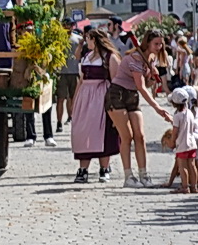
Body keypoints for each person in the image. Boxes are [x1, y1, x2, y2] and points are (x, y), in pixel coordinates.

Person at [105, 30, 172, 188]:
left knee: (140, 136)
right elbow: (141, 87)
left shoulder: (152, 58)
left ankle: (144, 174)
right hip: (117, 94)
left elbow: (146, 84)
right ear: (147, 42)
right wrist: (157, 108)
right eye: (156, 43)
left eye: (161, 43)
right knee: (126, 136)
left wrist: (150, 76)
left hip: (131, 95)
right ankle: (128, 176)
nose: (159, 46)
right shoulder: (136, 57)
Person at [71, 28, 120, 183]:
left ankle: (104, 168)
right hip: (85, 97)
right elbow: (81, 79)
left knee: (102, 131)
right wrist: (75, 99)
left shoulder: (110, 58)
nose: (87, 42)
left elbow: (115, 81)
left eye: (89, 39)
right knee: (83, 131)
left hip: (102, 96)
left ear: (95, 39)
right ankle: (83, 169)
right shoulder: (87, 57)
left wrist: (114, 103)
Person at [170, 87, 198, 193]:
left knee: (182, 166)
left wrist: (173, 141)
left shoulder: (177, 116)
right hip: (192, 143)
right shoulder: (190, 113)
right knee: (192, 165)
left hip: (182, 144)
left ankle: (185, 187)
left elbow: (175, 131)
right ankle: (194, 186)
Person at [54, 22, 80, 135]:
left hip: (74, 72)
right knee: (61, 98)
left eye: (69, 25)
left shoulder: (78, 39)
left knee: (73, 98)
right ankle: (59, 122)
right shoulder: (58, 39)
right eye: (65, 25)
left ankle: (72, 119)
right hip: (61, 73)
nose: (67, 27)